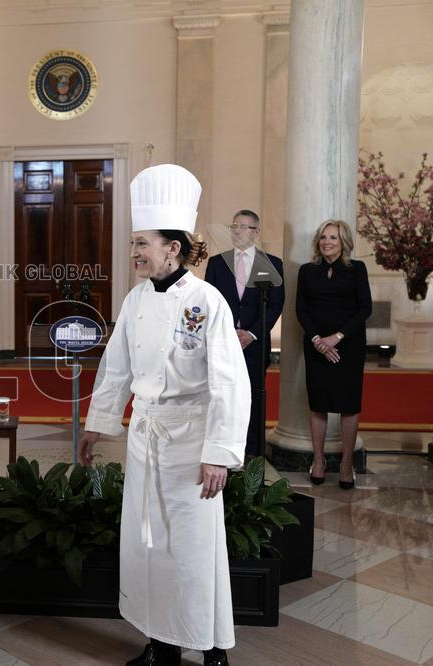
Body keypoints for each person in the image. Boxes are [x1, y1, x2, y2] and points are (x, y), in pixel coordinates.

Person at [78, 165, 250, 666]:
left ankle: (211, 647)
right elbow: (116, 368)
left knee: (192, 550)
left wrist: (219, 454)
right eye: (134, 243)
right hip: (146, 439)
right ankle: (161, 643)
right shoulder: (134, 299)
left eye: (142, 243)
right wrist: (97, 424)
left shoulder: (206, 301)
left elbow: (229, 384)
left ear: (173, 248)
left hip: (192, 445)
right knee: (148, 547)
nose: (134, 252)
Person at [295, 219, 372, 490]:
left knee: (349, 405)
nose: (326, 242)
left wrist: (336, 338)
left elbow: (365, 309)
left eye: (333, 238)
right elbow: (301, 309)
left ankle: (346, 464)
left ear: (343, 242)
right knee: (318, 403)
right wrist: (318, 341)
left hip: (348, 346)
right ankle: (318, 460)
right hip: (316, 346)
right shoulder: (307, 271)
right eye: (323, 237)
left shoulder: (357, 269)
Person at [204, 209, 284, 457]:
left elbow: (276, 304)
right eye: (234, 226)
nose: (236, 230)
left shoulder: (271, 264)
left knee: (253, 396)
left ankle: (252, 450)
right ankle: (222, 446)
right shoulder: (217, 263)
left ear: (256, 232)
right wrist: (226, 333)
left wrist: (252, 333)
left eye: (243, 226)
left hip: (254, 345)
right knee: (223, 395)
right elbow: (209, 302)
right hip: (223, 343)